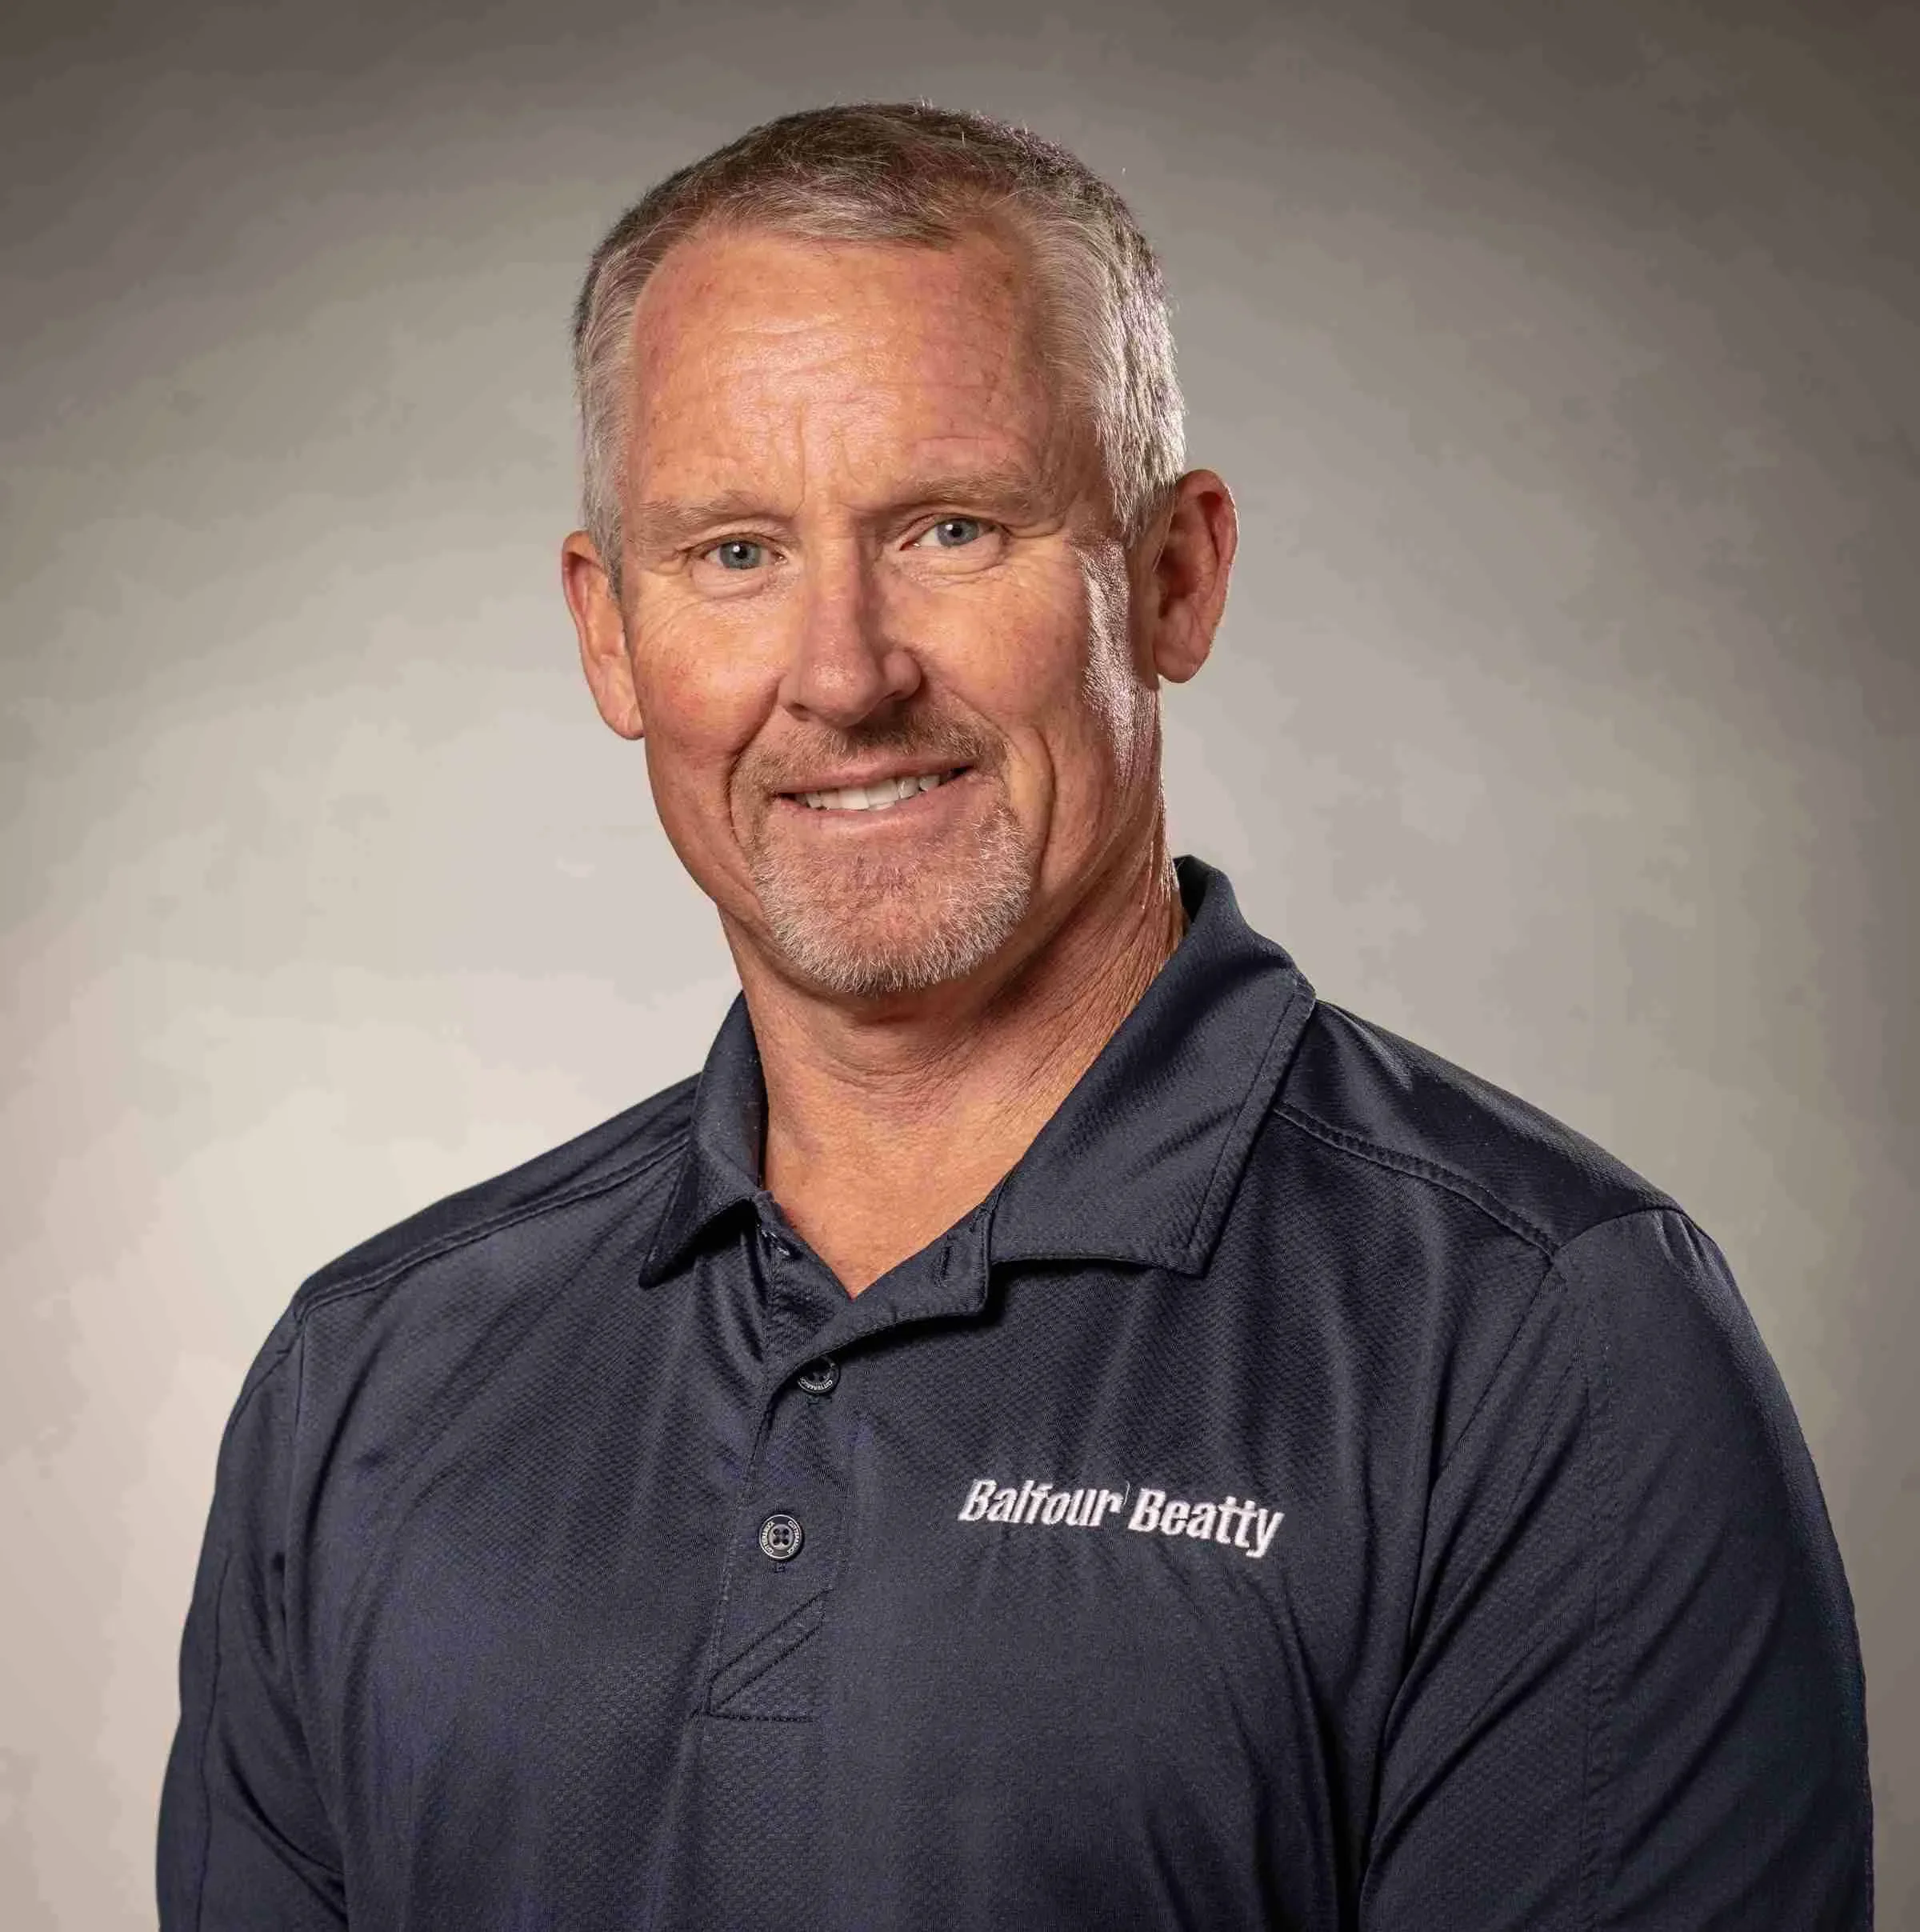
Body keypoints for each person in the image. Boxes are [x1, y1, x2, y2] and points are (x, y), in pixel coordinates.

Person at [157, 102, 1871, 1930]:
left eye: (952, 527)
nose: (843, 674)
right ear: (609, 632)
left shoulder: (1544, 1345)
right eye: (735, 552)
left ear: (1174, 576)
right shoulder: (369, 1380)